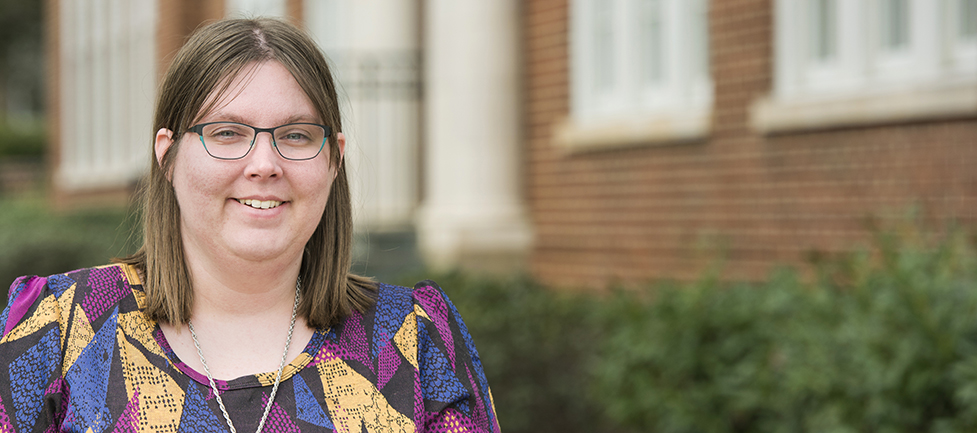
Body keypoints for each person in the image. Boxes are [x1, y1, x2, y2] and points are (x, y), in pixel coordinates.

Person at [0, 17, 499, 433]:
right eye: (227, 132)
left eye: (297, 135)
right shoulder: (61, 331)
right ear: (167, 156)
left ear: (333, 159)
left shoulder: (411, 340)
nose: (264, 164)